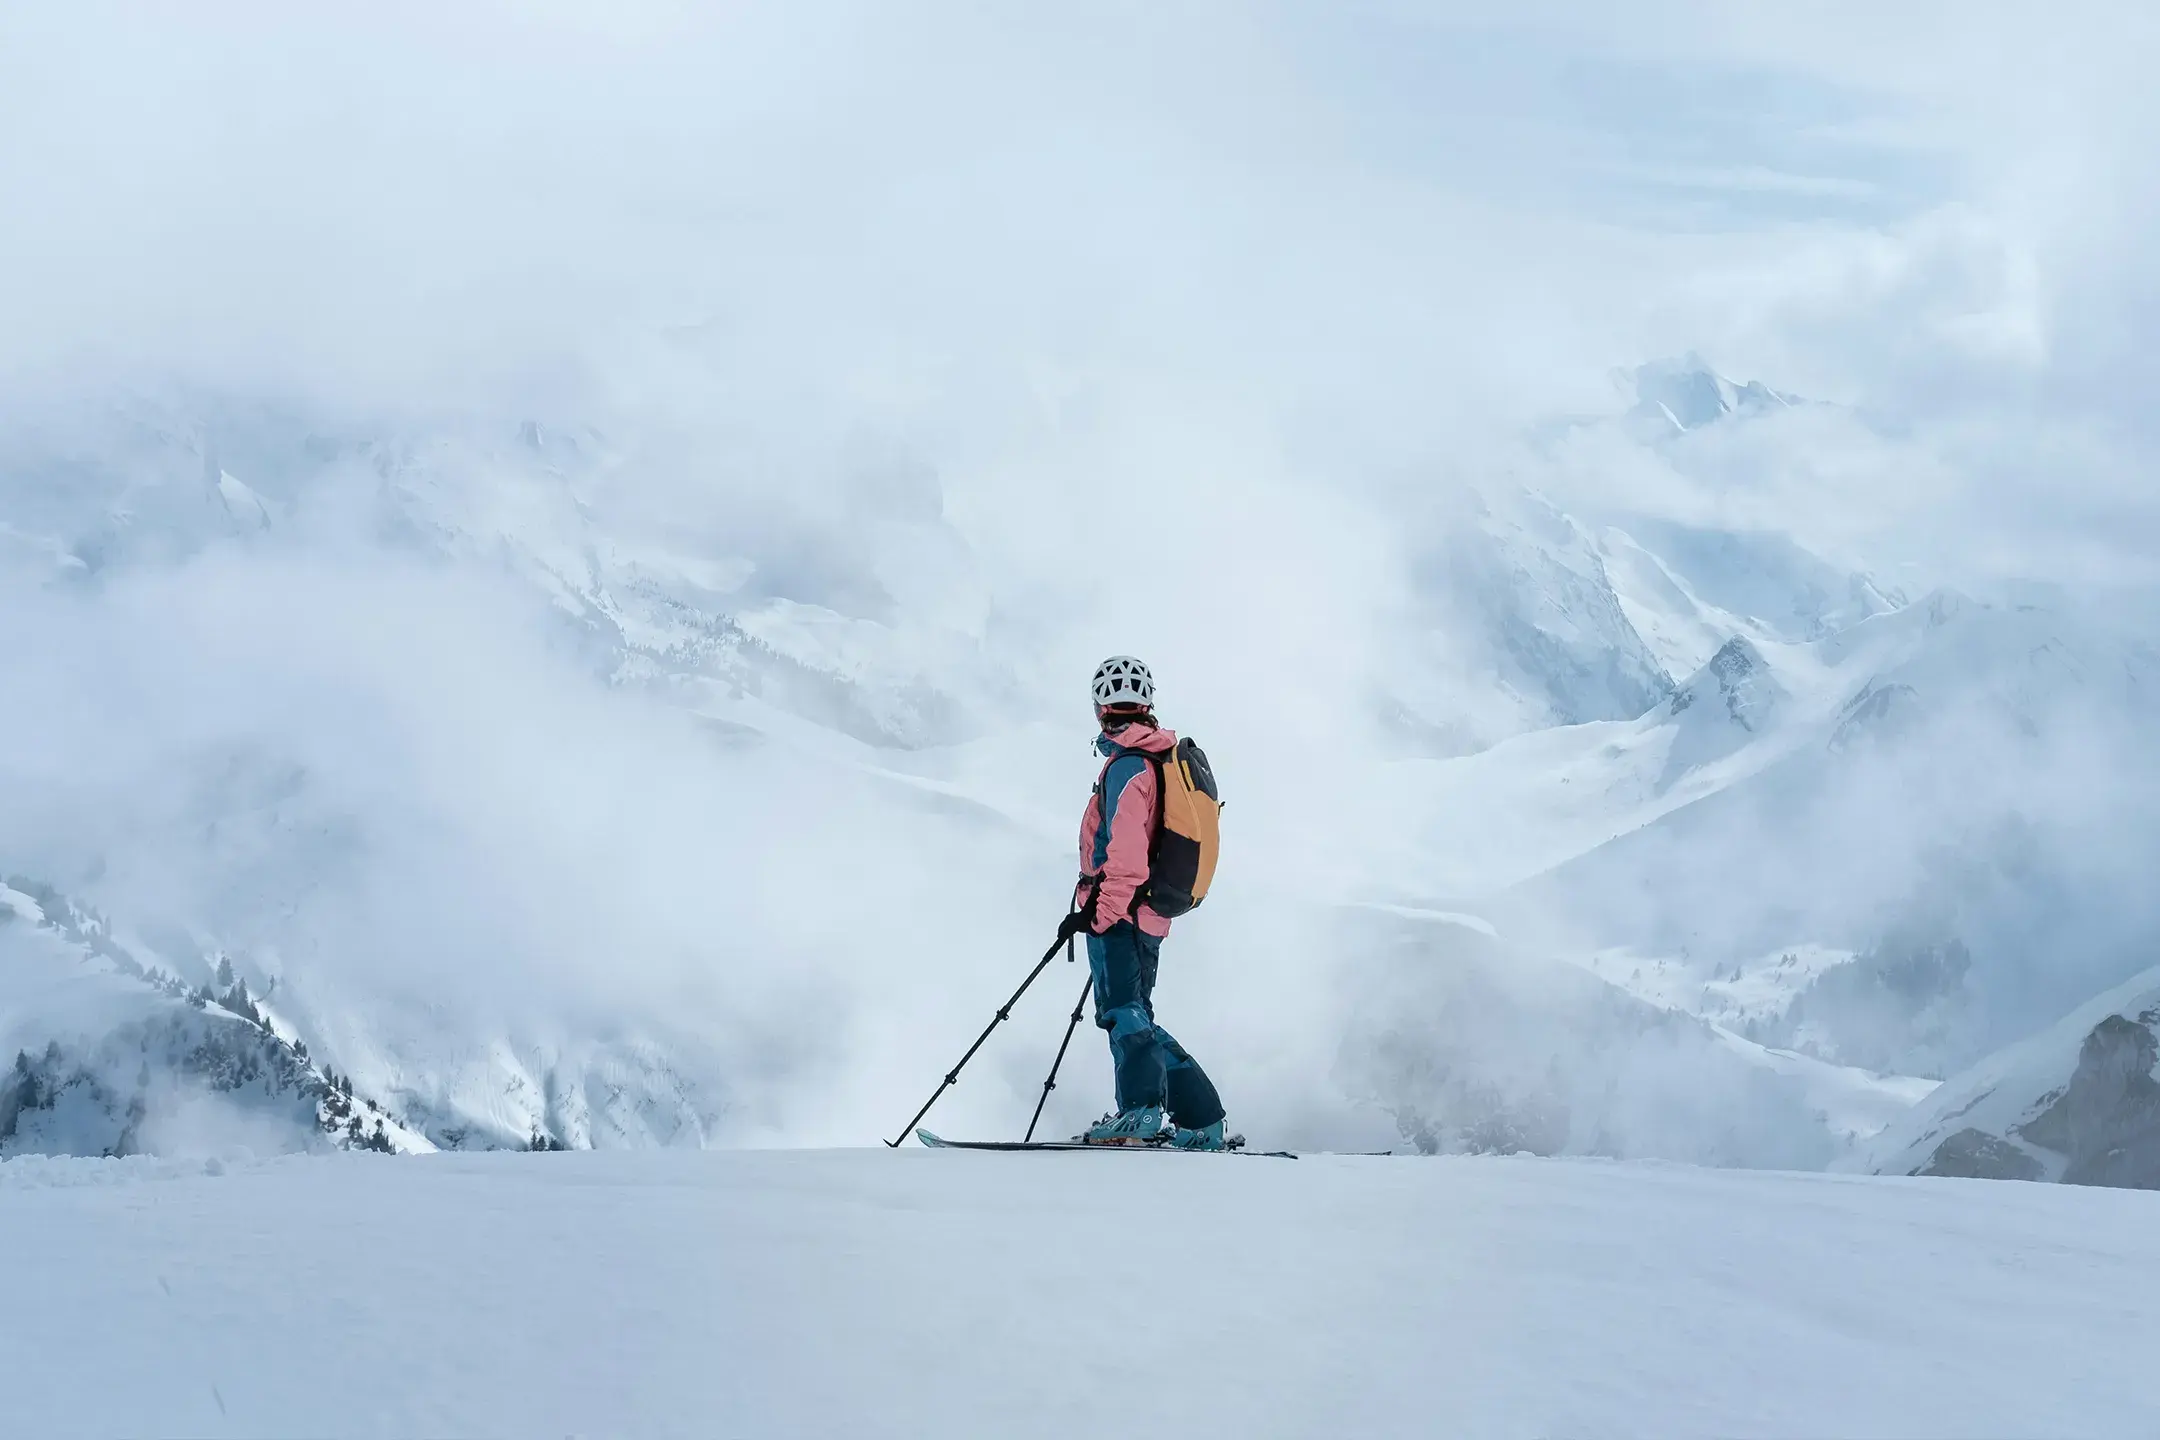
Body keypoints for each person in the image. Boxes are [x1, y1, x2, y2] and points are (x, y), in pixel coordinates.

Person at [1057, 655, 1229, 1149]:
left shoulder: (1129, 766)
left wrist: (1099, 915)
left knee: (1123, 1014)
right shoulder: (1154, 757)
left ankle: (1139, 1111)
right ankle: (1202, 1119)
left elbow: (1127, 859)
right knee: (1135, 1014)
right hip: (1148, 912)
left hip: (1122, 912)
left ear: (1099, 710)